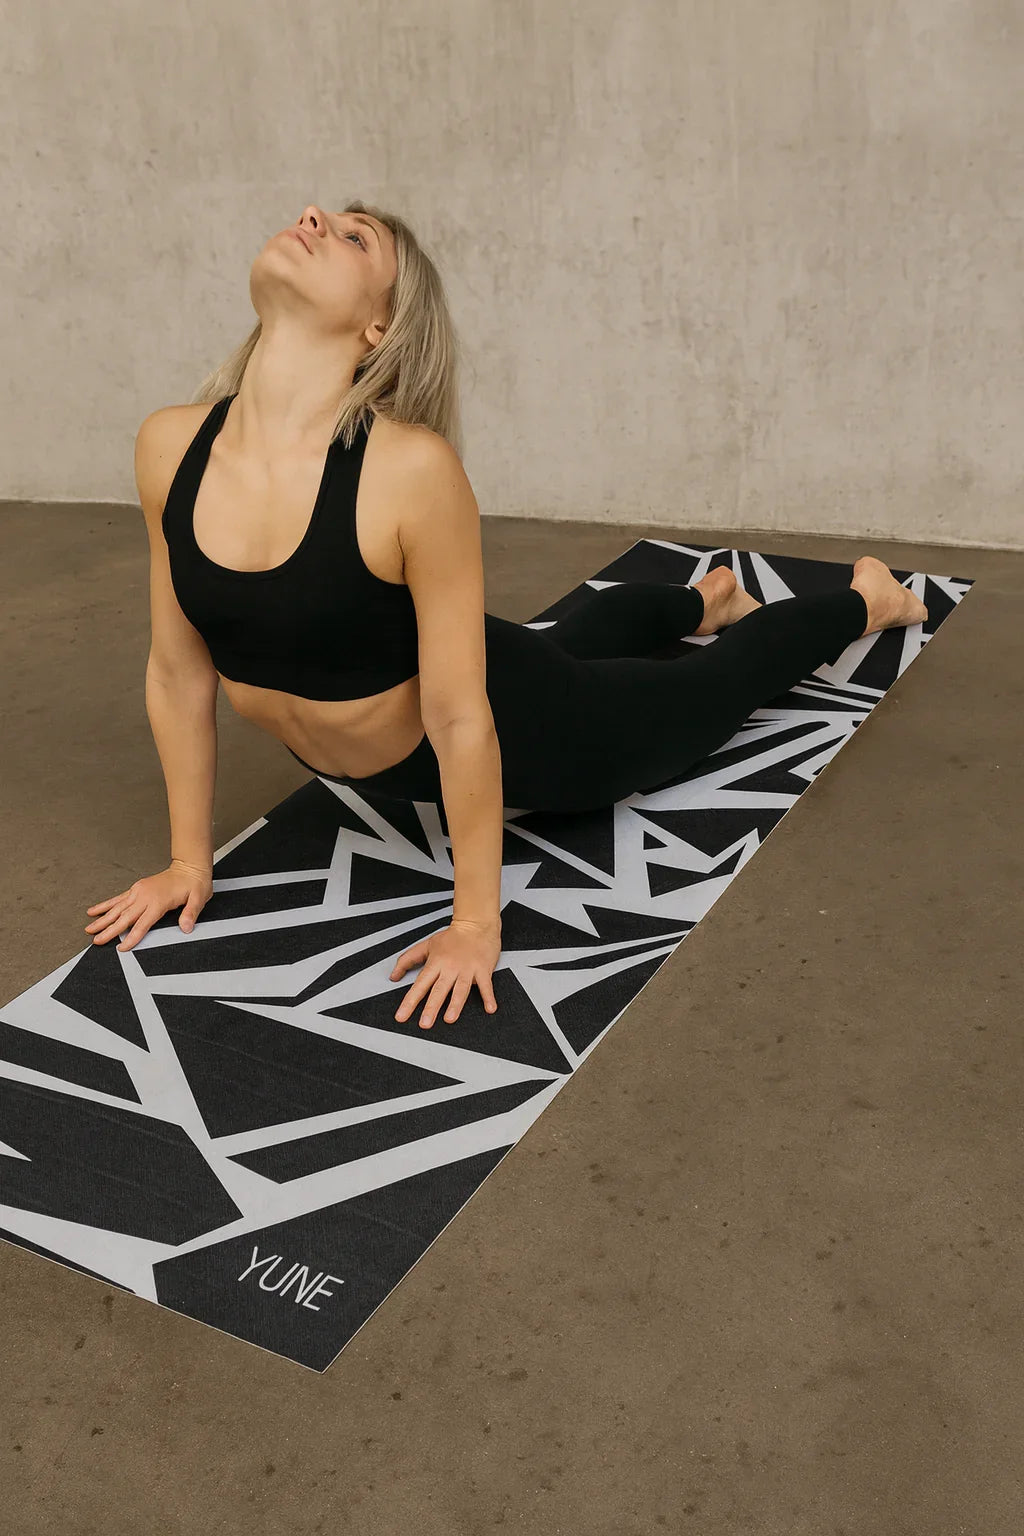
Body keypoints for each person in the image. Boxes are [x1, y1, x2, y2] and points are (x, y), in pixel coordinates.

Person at [85, 198, 928, 1025]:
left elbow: (459, 719)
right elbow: (177, 668)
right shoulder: (170, 445)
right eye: (321, 217)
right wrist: (185, 861)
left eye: (353, 237)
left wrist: (474, 924)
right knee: (565, 642)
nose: (311, 217)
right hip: (449, 697)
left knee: (715, 684)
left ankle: (865, 599)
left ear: (381, 325)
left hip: (545, 730)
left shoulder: (410, 472)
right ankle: (700, 598)